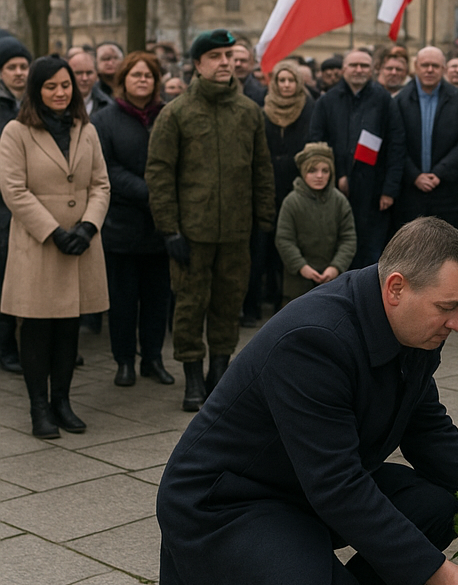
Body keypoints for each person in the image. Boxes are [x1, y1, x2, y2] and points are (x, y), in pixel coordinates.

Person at [156, 218, 458, 585]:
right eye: (448, 307)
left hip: (299, 484)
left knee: (436, 504)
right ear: (396, 288)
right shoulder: (315, 338)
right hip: (227, 500)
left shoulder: (410, 328)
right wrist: (444, 579)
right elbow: (339, 487)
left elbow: (428, 429)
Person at [145, 29, 276, 412]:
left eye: (229, 56)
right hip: (192, 232)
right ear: (198, 64)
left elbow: (261, 169)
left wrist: (263, 219)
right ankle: (192, 378)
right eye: (215, 56)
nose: (225, 63)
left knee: (228, 303)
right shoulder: (176, 113)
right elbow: (159, 174)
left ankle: (219, 373)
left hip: (236, 231)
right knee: (190, 304)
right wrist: (169, 229)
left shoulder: (249, 112)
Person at [0, 55, 110, 437]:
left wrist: (88, 226)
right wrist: (54, 232)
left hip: (81, 244)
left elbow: (100, 184)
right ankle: (39, 407)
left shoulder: (86, 129)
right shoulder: (16, 132)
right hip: (38, 244)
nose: (60, 92)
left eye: (65, 85)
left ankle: (62, 401)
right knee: (36, 328)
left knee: (68, 327)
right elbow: (14, 190)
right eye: (51, 86)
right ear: (36, 90)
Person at [92, 52, 174, 386]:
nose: (142, 80)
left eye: (148, 75)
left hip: (161, 228)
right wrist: (149, 191)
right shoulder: (104, 119)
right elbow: (106, 167)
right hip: (121, 226)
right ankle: (124, 360)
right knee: (123, 302)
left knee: (157, 300)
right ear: (123, 79)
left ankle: (152, 358)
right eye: (136, 74)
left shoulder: (168, 115)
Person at [309, 49, 405, 269]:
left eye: (364, 66)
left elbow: (396, 145)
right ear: (344, 69)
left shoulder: (384, 100)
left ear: (372, 70)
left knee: (371, 253)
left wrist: (389, 190)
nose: (359, 70)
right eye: (354, 65)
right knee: (337, 250)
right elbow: (317, 143)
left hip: (374, 191)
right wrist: (338, 174)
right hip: (335, 189)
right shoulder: (327, 101)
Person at [245, 59, 315, 321]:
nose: (286, 85)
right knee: (259, 250)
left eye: (291, 80)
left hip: (297, 190)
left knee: (288, 250)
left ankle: (284, 306)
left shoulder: (310, 108)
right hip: (265, 190)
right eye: (281, 80)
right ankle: (252, 306)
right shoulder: (261, 109)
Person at [395, 46, 458, 229]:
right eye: (425, 65)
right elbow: (395, 143)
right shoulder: (400, 100)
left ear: (443, 69)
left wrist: (440, 172)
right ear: (416, 66)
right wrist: (415, 175)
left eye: (435, 66)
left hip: (448, 191)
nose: (430, 70)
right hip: (410, 192)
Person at [275, 143, 358, 304]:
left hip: (333, 280)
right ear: (303, 172)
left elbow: (348, 239)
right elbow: (284, 239)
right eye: (312, 171)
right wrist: (301, 266)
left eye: (325, 171)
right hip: (298, 281)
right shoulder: (291, 202)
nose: (319, 176)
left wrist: (336, 267)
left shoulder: (339, 202)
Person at [0, 37, 31, 374]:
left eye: (24, 66)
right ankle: (6, 347)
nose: (20, 72)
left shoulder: (33, 103)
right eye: (12, 67)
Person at [69, 51, 112, 117]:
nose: (84, 78)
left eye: (89, 73)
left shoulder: (107, 105)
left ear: (96, 74)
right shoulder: (59, 103)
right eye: (79, 73)